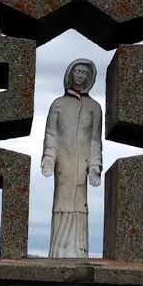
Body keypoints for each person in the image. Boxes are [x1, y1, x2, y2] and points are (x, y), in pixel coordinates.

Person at [41, 59, 102, 257]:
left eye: (85, 72)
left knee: (79, 203)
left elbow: (95, 139)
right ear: (70, 73)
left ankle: (78, 251)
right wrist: (49, 159)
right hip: (63, 162)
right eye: (77, 71)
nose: (80, 75)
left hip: (82, 165)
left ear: (89, 76)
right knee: (62, 201)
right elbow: (51, 135)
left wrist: (95, 165)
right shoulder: (58, 104)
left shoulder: (94, 107)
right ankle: (58, 251)